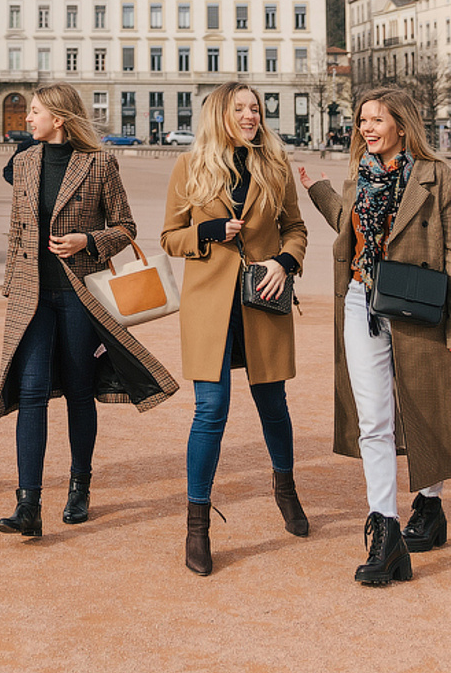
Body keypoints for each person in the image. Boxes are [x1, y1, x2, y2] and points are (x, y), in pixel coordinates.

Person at [299, 88, 451, 587]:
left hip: (417, 305)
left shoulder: (439, 179)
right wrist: (321, 191)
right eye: (361, 121)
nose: (366, 129)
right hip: (361, 302)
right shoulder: (358, 179)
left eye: (376, 121)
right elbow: (353, 231)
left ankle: (429, 506)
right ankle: (385, 529)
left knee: (425, 406)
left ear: (402, 127)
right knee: (374, 418)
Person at [0, 83, 178, 537]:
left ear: (58, 118)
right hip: (32, 296)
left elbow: (126, 226)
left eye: (35, 112)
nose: (26, 119)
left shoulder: (98, 163)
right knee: (31, 394)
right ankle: (28, 505)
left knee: (78, 390)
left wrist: (87, 241)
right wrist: (12, 288)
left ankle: (79, 485)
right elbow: (17, 231)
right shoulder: (23, 162)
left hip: (79, 295)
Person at [161, 83, 309, 575]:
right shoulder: (190, 166)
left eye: (256, 108)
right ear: (220, 114)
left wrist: (286, 261)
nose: (250, 116)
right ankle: (196, 525)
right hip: (209, 304)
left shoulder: (274, 165)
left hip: (262, 298)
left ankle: (285, 489)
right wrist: (205, 232)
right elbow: (169, 238)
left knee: (273, 404)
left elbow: (296, 227)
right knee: (211, 410)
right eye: (240, 108)